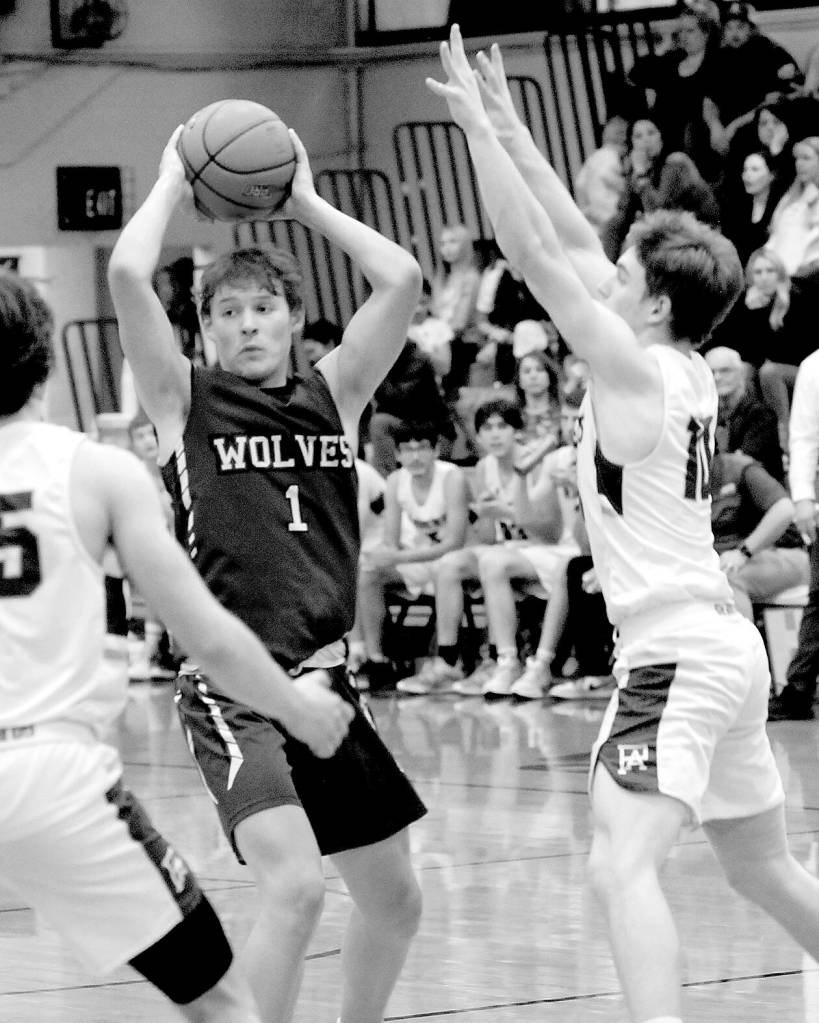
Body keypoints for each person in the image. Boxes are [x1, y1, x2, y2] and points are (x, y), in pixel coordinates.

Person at [428, 27, 819, 1023]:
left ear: (647, 300)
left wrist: (472, 125)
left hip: (675, 650)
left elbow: (528, 246)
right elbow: (567, 234)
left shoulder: (632, 367)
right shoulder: (677, 362)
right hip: (722, 647)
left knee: (617, 864)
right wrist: (513, 122)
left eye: (626, 268)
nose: (608, 267)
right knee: (763, 868)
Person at [107, 125, 426, 1023]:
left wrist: (305, 201)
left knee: (396, 899)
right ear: (204, 333)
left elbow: (399, 277)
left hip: (329, 686)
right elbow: (129, 278)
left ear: (292, 316)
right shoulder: (184, 400)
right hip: (235, 688)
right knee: (294, 887)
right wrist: (172, 176)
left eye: (263, 308)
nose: (247, 324)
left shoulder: (339, 390)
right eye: (227, 314)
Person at [0, 271, 354, 1022]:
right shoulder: (96, 470)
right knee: (224, 1005)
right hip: (50, 777)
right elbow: (206, 630)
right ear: (45, 360)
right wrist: (296, 706)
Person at [357, 420, 469, 690]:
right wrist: (380, 556)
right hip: (421, 559)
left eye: (422, 449)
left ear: (436, 451)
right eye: (407, 450)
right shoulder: (396, 481)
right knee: (368, 571)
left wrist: (398, 558)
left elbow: (455, 543)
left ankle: (447, 661)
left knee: (445, 567)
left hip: (460, 560)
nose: (415, 456)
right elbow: (391, 541)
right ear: (397, 455)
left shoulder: (452, 477)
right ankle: (376, 659)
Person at [768, 343, 819, 721]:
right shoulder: (814, 366)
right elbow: (803, 436)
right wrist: (802, 498)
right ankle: (798, 690)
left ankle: (799, 688)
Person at [710, 449, 808, 620]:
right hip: (717, 564)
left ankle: (742, 645)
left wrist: (743, 552)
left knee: (727, 577)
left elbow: (785, 509)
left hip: (782, 555)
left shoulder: (739, 467)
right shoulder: (677, 481)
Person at [703, 345, 783, 481]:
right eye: (711, 372)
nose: (717, 377)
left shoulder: (760, 415)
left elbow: (742, 464)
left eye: (725, 370)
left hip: (760, 495)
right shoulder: (707, 416)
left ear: (741, 373)